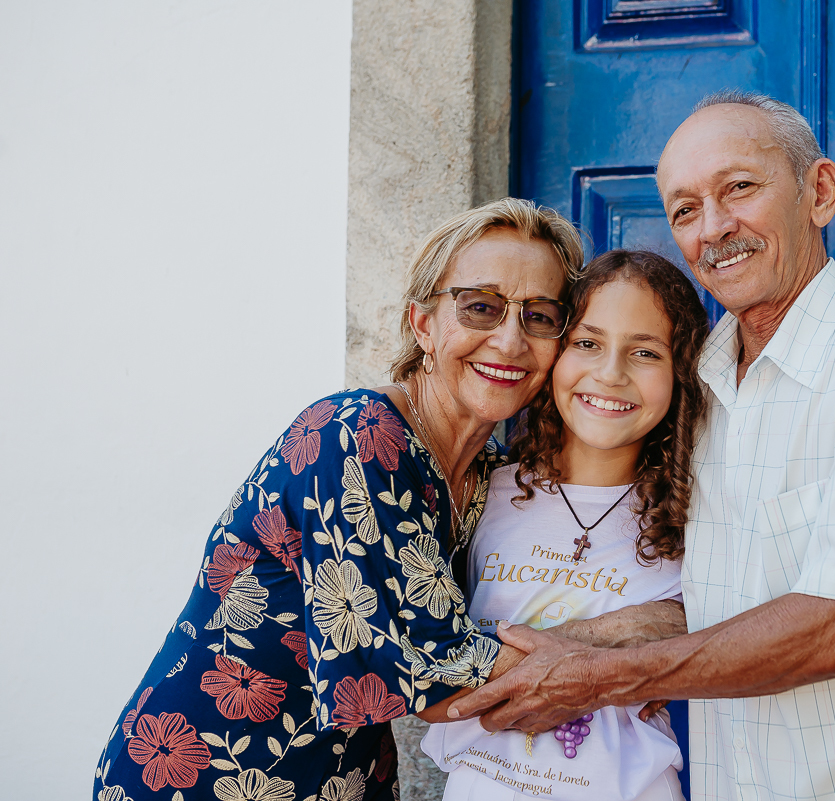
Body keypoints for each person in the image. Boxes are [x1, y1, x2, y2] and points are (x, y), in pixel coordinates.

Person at [448, 92, 835, 800]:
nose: (714, 227)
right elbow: (706, 595)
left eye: (740, 188)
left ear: (819, 192)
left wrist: (591, 676)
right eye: (686, 209)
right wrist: (588, 637)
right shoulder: (690, 387)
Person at [94, 198, 590, 801]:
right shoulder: (354, 434)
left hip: (337, 781)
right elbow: (431, 679)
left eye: (540, 316)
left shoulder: (490, 478)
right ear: (424, 324)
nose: (510, 340)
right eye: (480, 307)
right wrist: (645, 644)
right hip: (201, 778)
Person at [421, 250, 710, 801]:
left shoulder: (699, 514)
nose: (610, 373)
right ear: (553, 353)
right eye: (587, 343)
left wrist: (674, 624)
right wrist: (621, 632)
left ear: (680, 373)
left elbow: (745, 629)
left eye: (645, 352)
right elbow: (429, 661)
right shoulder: (482, 489)